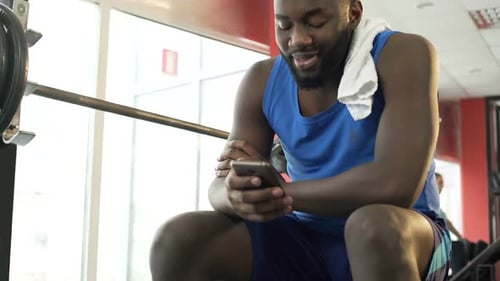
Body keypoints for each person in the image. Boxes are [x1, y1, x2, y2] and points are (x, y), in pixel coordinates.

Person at [149, 0, 451, 280]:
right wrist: (236, 195)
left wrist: (283, 194)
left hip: (404, 236)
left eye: (315, 22)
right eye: (284, 26)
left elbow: (395, 187)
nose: (297, 39)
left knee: (372, 227)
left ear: (353, 13)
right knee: (178, 239)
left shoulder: (405, 53)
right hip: (305, 233)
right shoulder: (261, 80)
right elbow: (219, 187)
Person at [435, 172, 464, 240]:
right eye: (440, 182)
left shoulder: (436, 206)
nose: (442, 186)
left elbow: (446, 223)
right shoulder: (427, 204)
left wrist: (459, 236)